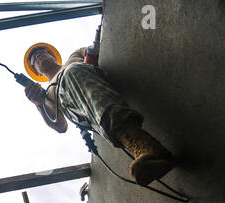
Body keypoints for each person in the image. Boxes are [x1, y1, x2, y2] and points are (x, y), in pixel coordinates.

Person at [23, 43, 176, 186]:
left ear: (53, 55)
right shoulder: (47, 95)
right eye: (34, 58)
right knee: (70, 76)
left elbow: (97, 49)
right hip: (87, 114)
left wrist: (89, 57)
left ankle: (144, 146)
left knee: (71, 71)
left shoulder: (74, 57)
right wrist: (39, 104)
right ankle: (144, 147)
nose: (38, 56)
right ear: (36, 71)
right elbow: (61, 126)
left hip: (98, 83)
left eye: (42, 52)